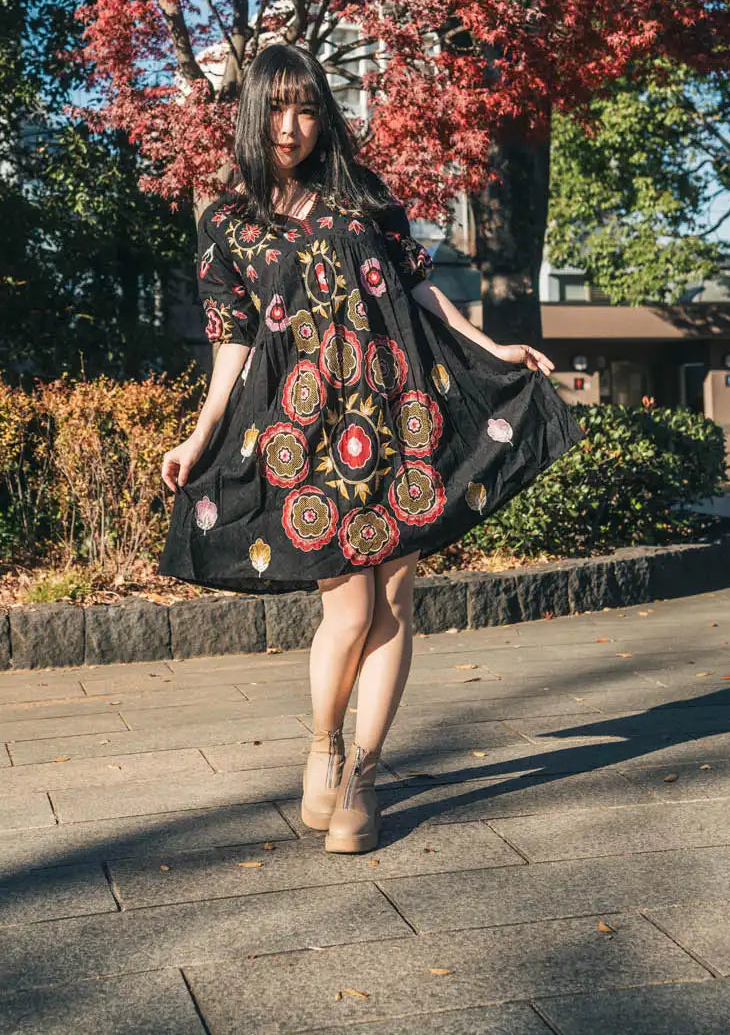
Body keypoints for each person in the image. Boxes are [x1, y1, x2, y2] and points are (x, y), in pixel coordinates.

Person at [159, 42, 584, 854]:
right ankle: (322, 741)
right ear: (252, 114)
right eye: (277, 109)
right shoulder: (228, 220)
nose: (292, 127)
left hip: (398, 409)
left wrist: (490, 349)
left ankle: (364, 770)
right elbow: (232, 342)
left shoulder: (365, 198)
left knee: (393, 599)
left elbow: (423, 289)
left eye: (308, 108)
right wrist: (200, 432)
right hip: (304, 431)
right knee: (345, 608)